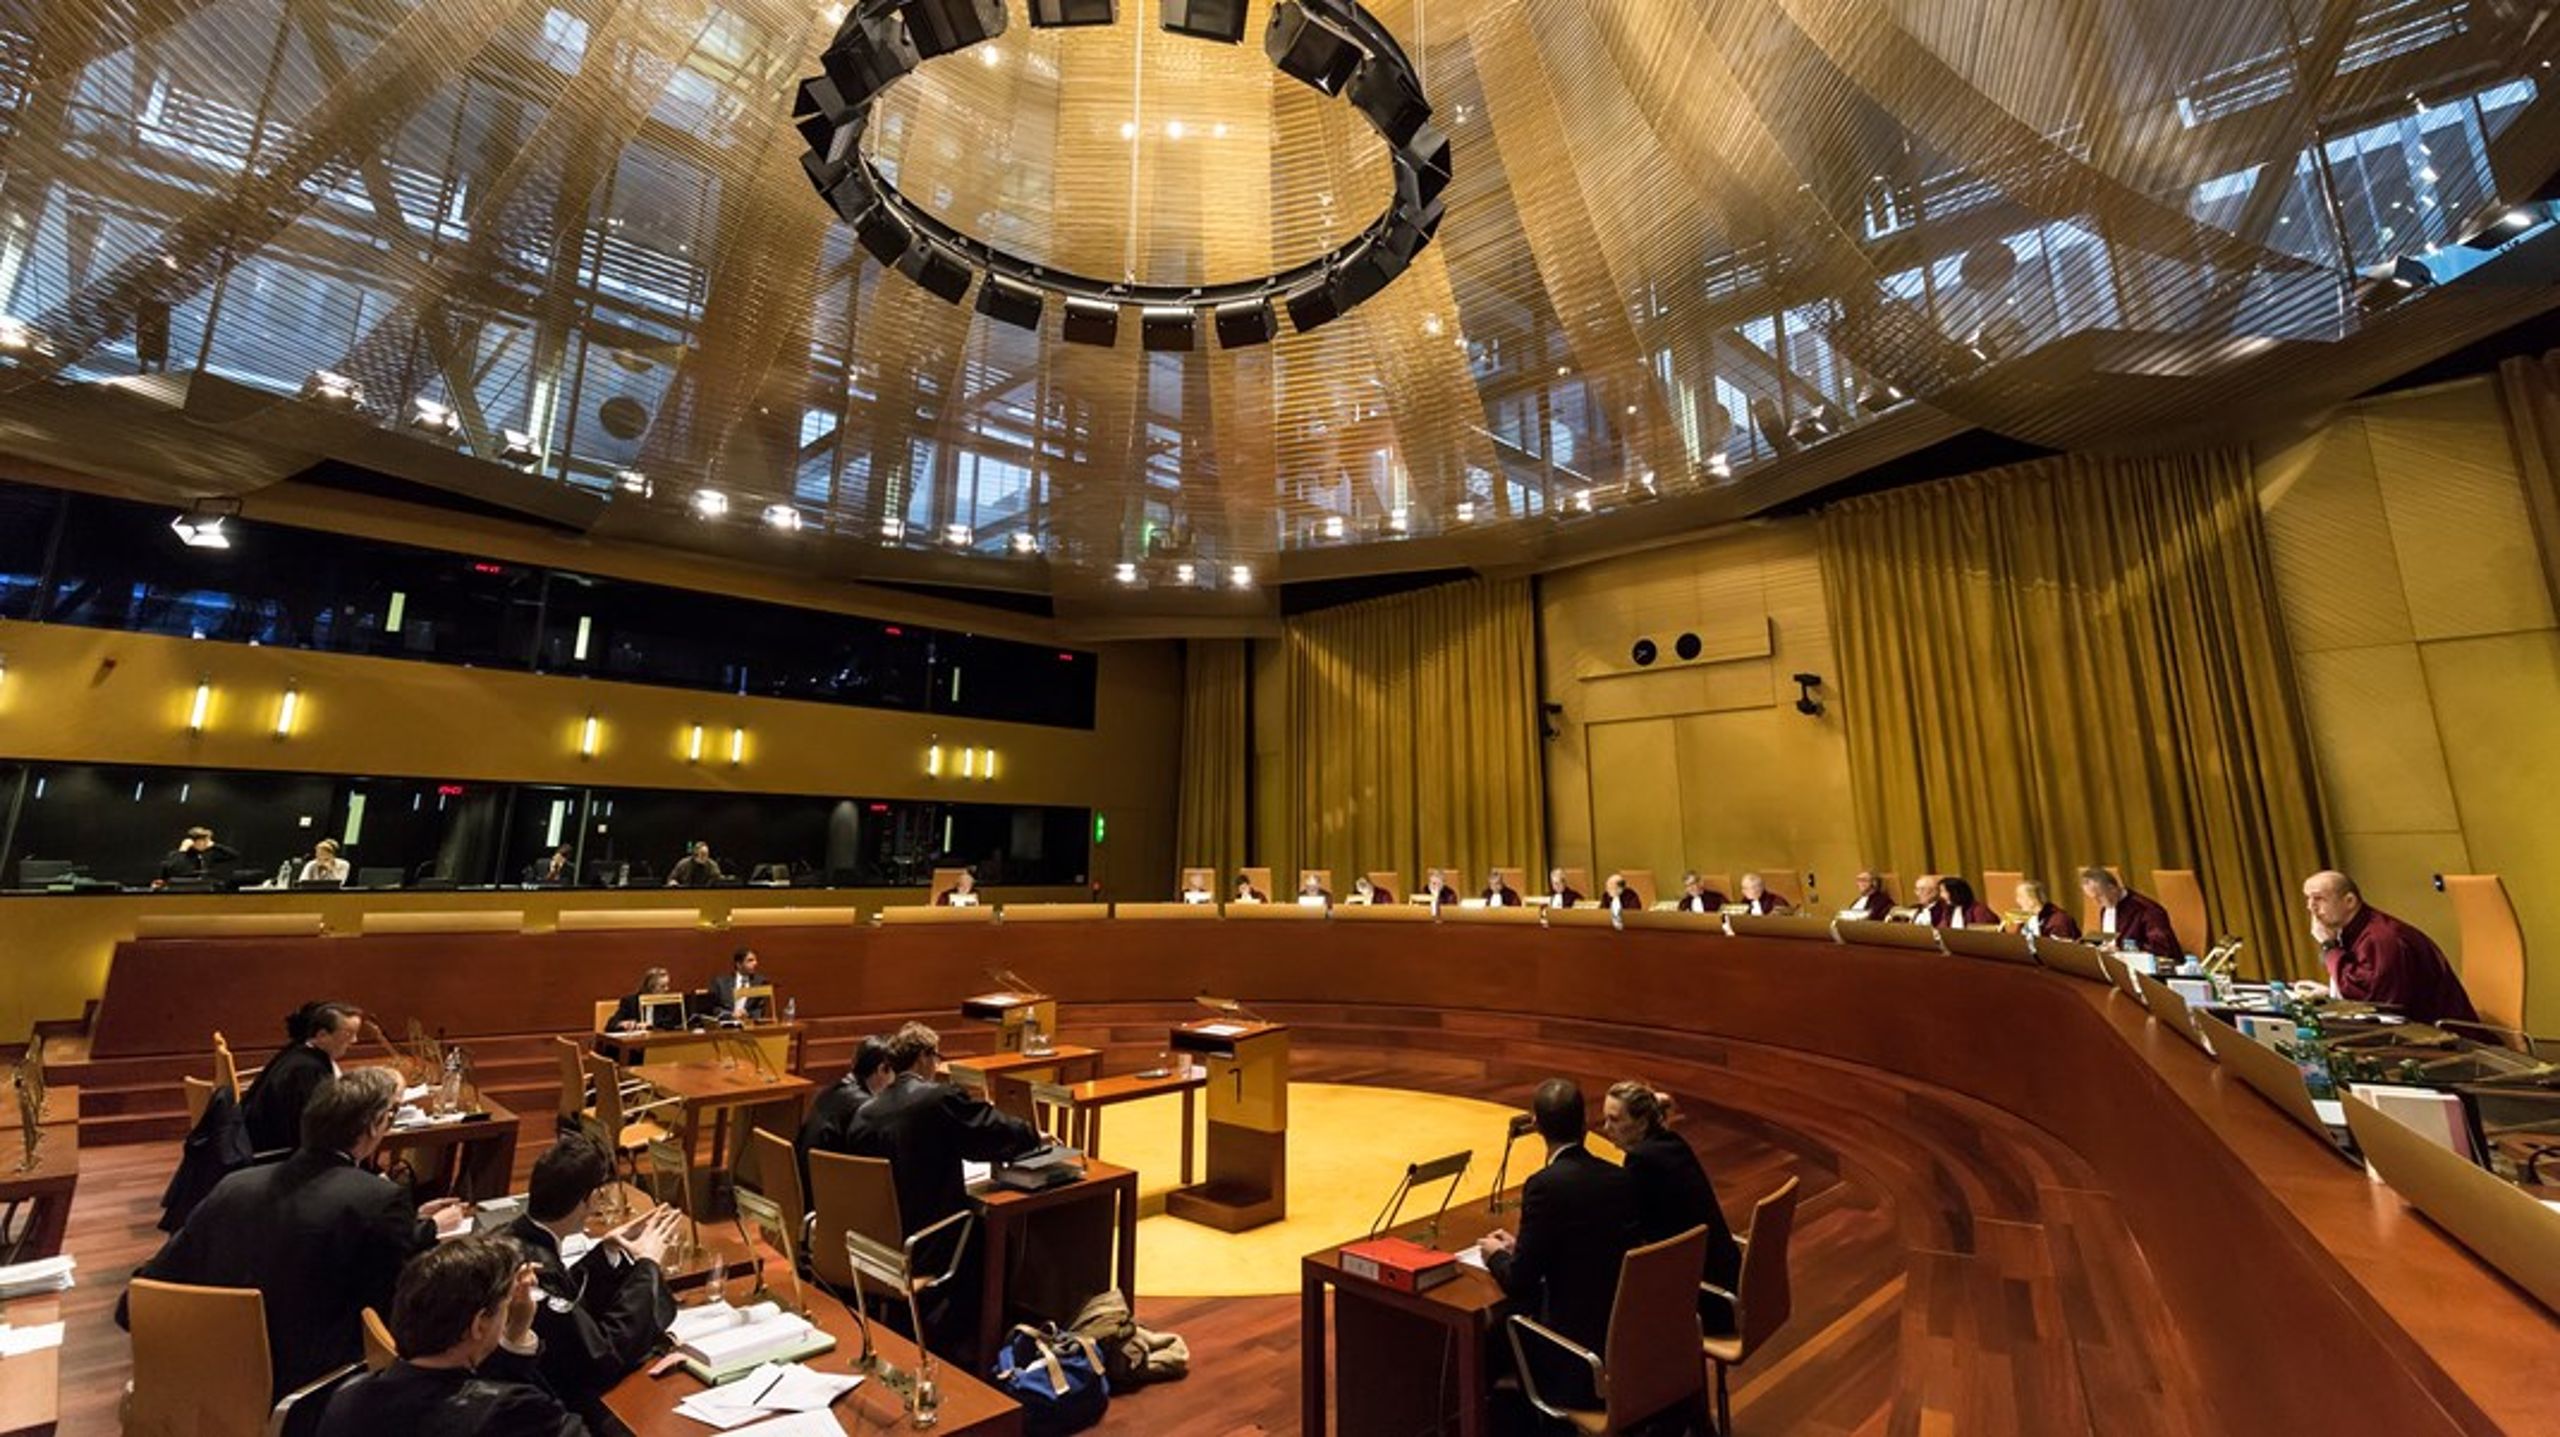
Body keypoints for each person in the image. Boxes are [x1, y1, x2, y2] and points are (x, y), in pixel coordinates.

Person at [131, 1069, 470, 1398]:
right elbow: (392, 1307)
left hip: (200, 1377)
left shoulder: (234, 1185)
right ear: (373, 1126)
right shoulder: (379, 1199)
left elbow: (146, 1288)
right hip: (308, 1387)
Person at [846, 1022, 1046, 1362]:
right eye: (936, 1057)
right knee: (995, 1238)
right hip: (926, 1245)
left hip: (876, 1244)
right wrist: (1033, 1136)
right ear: (924, 1058)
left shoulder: (864, 1113)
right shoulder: (937, 1099)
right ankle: (975, 1348)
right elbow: (990, 1132)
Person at [315, 1235, 584, 1437]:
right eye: (504, 1306)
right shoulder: (513, 1412)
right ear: (478, 1324)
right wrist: (520, 1330)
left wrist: (513, 1333)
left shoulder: (346, 1398)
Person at [1474, 1078, 1638, 1409]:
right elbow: (1584, 1245)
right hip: (1628, 1346)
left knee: (1491, 1338)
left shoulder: (1545, 1186)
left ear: (1537, 1126)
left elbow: (1520, 1281)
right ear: (1584, 1122)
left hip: (1575, 1358)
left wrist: (1495, 1256)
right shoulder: (1619, 1177)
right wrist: (1523, 1246)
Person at [503, 1137, 679, 1432]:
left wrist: (608, 1251)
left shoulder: (513, 1237)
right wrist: (648, 1265)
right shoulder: (531, 1273)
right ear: (593, 1198)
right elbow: (601, 1356)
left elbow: (566, 1304)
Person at [1598, 1081, 1740, 1328]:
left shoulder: (1641, 1160)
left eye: (1615, 1120)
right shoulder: (1673, 1142)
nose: (1606, 1128)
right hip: (1728, 1283)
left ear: (1642, 1123)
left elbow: (1630, 1226)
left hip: (1704, 1300)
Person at [2303, 871, 2479, 1027]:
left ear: (2349, 901)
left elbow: (2376, 1004)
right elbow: (2369, 987)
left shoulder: (2382, 937)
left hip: (2444, 1037)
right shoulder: (2357, 930)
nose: (2310, 907)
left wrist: (2329, 947)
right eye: (2308, 899)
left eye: (2319, 898)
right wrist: (2330, 994)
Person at [241, 1001, 362, 1154]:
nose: (354, 1040)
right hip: (275, 1155)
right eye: (348, 1034)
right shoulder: (307, 1071)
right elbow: (315, 1128)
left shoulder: (298, 1052)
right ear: (322, 1035)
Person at [798, 1035, 895, 1192]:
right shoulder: (866, 1109)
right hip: (828, 1194)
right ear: (882, 1069)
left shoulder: (829, 1091)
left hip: (803, 1187)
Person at [2080, 867, 2184, 959]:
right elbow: (2110, 939)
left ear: (2112, 888)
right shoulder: (2106, 908)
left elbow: (2162, 949)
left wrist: (2120, 950)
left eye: (2099, 896)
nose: (2096, 903)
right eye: (2092, 898)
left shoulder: (2148, 910)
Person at [706, 948, 772, 1023]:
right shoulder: (720, 983)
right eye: (750, 960)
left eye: (755, 960)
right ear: (739, 964)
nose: (755, 963)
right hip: (726, 1024)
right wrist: (731, 1015)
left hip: (748, 1024)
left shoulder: (759, 982)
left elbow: (759, 1008)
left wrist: (748, 1015)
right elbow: (713, 1007)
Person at [158, 825, 239, 885]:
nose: (206, 844)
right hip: (183, 888)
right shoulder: (177, 855)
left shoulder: (208, 854)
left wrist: (215, 845)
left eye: (207, 841)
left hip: (203, 887)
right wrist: (182, 850)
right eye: (203, 841)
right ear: (192, 841)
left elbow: (234, 855)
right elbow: (171, 869)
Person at [605, 968, 675, 1033]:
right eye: (663, 986)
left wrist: (650, 1026)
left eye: (667, 985)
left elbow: (671, 1024)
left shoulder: (666, 1003)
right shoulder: (630, 1002)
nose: (667, 989)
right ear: (651, 987)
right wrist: (623, 1024)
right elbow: (611, 1025)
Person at [2015, 880, 2080, 939]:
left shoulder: (2058, 920)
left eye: (2021, 897)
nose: (2017, 901)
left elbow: (2059, 946)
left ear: (2033, 900)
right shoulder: (2026, 919)